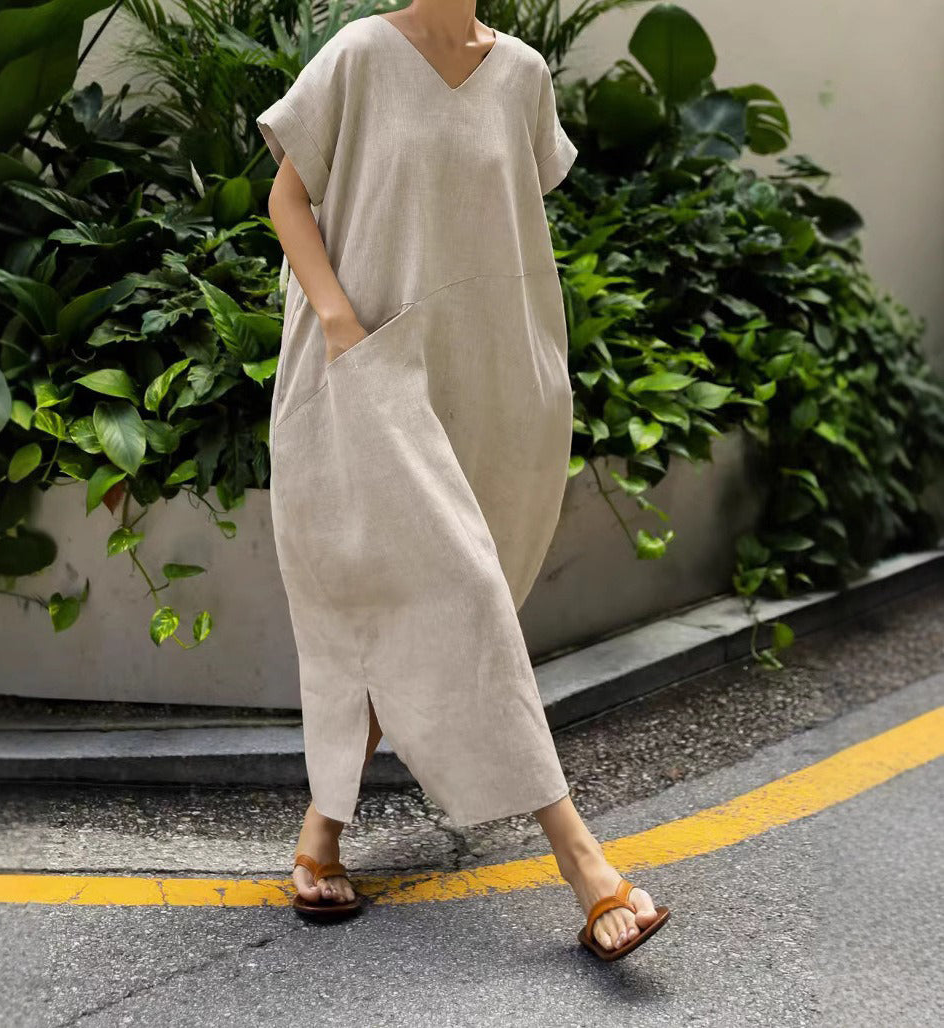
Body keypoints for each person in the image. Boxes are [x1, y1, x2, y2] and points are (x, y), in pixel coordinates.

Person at [256, 1, 669, 960]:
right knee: (465, 590)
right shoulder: (359, 55)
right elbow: (287, 201)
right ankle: (586, 866)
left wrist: (538, 369)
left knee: (430, 605)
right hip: (366, 375)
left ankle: (321, 834)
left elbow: (505, 235)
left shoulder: (522, 75)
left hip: (487, 382)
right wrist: (341, 324)